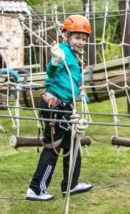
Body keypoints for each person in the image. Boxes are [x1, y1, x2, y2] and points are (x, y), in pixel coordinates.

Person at [26, 15, 93, 201]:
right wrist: (55, 61)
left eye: (84, 39)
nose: (81, 42)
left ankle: (71, 184)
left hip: (65, 106)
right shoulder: (61, 51)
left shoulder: (72, 54)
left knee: (72, 144)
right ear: (67, 36)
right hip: (55, 106)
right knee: (53, 147)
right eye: (77, 37)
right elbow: (51, 70)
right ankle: (36, 190)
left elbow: (70, 78)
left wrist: (79, 92)